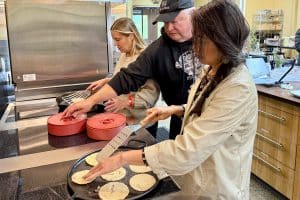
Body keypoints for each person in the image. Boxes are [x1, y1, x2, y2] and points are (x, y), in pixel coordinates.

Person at [83, 0, 258, 199]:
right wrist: (176, 110)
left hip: (217, 185)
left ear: (221, 40)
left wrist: (122, 158)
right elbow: (209, 106)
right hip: (196, 176)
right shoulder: (212, 68)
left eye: (201, 38)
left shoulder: (237, 87)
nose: (195, 45)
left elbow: (187, 151)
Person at [63, 0, 202, 139]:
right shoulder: (157, 50)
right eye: (165, 22)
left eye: (175, 21)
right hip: (178, 116)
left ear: (193, 14)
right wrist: (90, 101)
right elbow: (127, 77)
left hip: (211, 114)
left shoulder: (210, 39)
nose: (169, 28)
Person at [86, 17, 160, 136]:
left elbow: (150, 96)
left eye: (118, 39)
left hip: (141, 123)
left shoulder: (146, 58)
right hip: (124, 119)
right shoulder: (125, 54)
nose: (116, 44)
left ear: (131, 36)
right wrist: (107, 81)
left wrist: (126, 101)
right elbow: (128, 80)